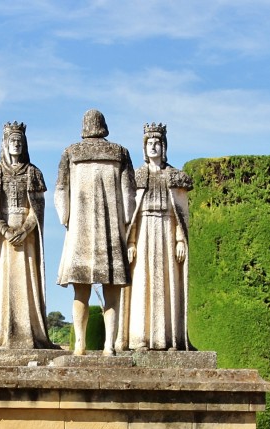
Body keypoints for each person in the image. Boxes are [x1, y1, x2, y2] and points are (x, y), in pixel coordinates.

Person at [55, 109, 136, 355]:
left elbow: (61, 190)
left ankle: (80, 343)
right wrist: (125, 221)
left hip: (80, 231)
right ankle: (109, 345)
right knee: (112, 290)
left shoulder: (71, 152)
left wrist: (66, 218)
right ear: (104, 126)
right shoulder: (119, 153)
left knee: (81, 290)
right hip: (110, 231)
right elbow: (129, 194)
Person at [0, 122, 58, 349]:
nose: (16, 144)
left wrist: (24, 230)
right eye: (12, 140)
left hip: (27, 237)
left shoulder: (33, 173)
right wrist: (4, 229)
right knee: (2, 283)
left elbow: (37, 209)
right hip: (3, 240)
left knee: (28, 283)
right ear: (4, 143)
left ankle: (30, 332)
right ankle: (0, 332)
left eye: (19, 141)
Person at [119, 122, 193, 351]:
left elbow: (181, 213)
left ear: (164, 147)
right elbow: (131, 214)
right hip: (142, 234)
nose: (153, 147)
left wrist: (180, 238)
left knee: (167, 285)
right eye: (149, 144)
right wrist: (130, 242)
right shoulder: (136, 176)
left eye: (157, 143)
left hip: (167, 231)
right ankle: (139, 337)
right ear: (144, 148)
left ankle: (167, 337)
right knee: (141, 283)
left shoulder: (174, 176)